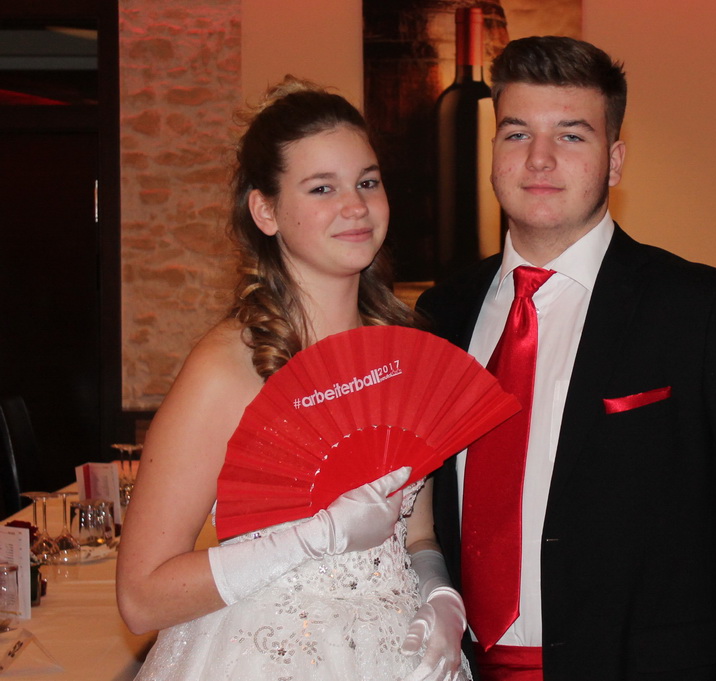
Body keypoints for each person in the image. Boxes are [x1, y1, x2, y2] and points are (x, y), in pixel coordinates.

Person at [416, 36, 716, 681]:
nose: (539, 158)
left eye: (571, 135)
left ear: (615, 161)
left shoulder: (701, 311)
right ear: (493, 154)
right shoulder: (442, 313)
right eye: (517, 133)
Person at [117, 77, 468, 681]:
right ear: (266, 210)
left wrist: (440, 593)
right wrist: (315, 537)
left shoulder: (405, 353)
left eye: (367, 182)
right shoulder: (227, 367)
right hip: (265, 655)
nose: (355, 206)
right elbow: (141, 595)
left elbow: (418, 533)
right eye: (322, 188)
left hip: (399, 655)